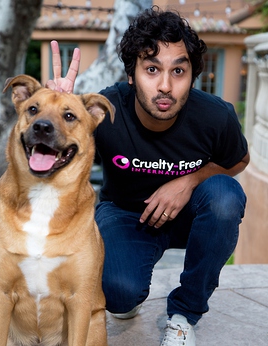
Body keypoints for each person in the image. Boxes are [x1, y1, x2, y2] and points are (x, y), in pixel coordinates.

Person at [46, 6, 249, 346]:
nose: (165, 85)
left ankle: (185, 313)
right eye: (152, 69)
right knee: (119, 294)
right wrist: (58, 112)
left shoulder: (215, 116)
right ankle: (127, 291)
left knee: (225, 197)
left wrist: (189, 181)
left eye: (178, 71)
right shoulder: (106, 110)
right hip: (127, 214)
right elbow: (54, 166)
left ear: (192, 76)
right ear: (131, 74)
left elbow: (238, 160)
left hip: (190, 215)